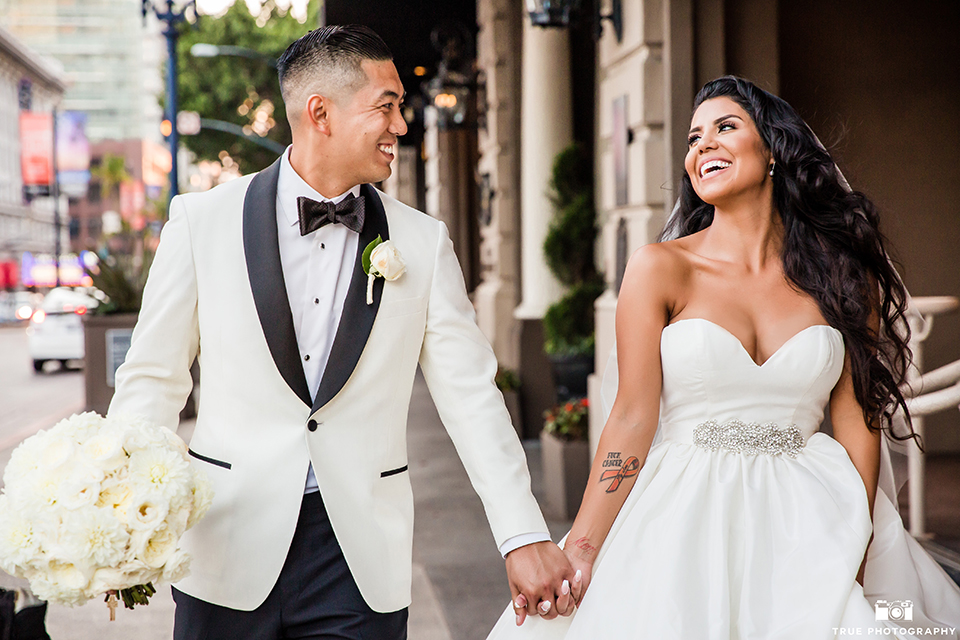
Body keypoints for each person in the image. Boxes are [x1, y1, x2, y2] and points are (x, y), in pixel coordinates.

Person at [108, 25, 579, 640]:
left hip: (358, 558)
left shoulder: (423, 243)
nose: (401, 126)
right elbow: (153, 379)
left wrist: (522, 534)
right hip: (224, 543)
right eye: (386, 106)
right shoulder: (201, 223)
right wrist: (119, 512)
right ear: (320, 113)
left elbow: (472, 397)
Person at [488, 76, 960, 639]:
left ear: (774, 153)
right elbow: (633, 417)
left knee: (890, 623)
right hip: (681, 515)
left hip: (813, 516)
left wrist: (855, 546)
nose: (702, 145)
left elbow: (858, 420)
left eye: (725, 127)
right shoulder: (660, 268)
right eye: (692, 138)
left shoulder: (842, 277)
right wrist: (585, 549)